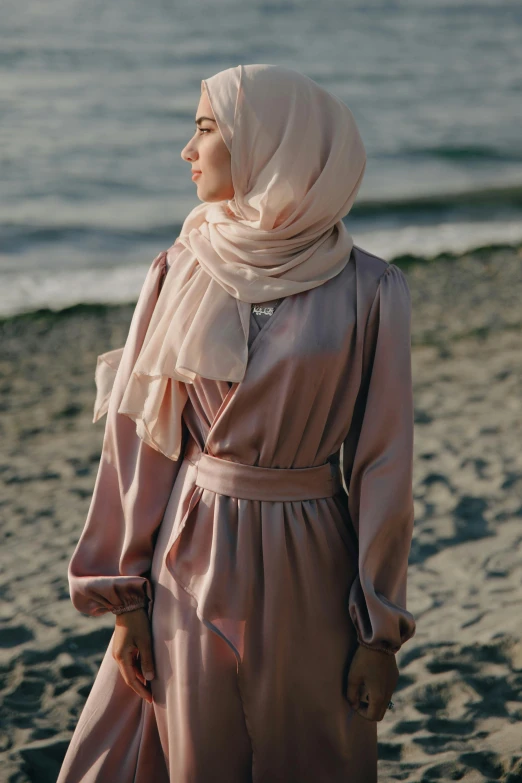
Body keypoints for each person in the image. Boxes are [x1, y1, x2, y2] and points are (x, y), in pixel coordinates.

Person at [57, 63, 417, 783]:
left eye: (204, 128)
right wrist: (124, 598)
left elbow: (383, 463)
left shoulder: (372, 288)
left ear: (269, 142)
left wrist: (380, 631)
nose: (186, 151)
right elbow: (137, 443)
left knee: (310, 746)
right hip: (191, 550)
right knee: (197, 750)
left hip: (312, 554)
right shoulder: (179, 267)